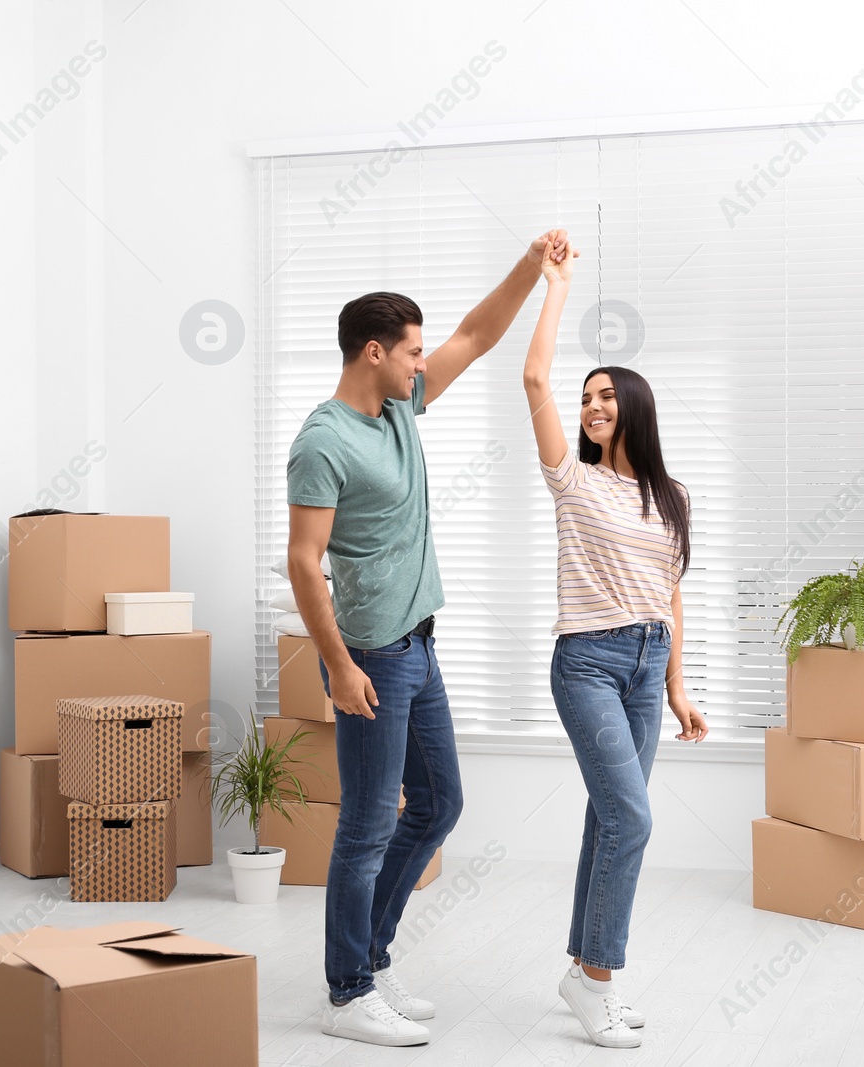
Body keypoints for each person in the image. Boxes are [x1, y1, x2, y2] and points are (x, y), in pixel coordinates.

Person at [287, 230, 571, 1048]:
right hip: (371, 657)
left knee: (439, 803)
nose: (422, 363)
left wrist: (532, 268)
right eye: (410, 352)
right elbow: (305, 564)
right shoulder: (323, 441)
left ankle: (367, 961)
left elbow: (478, 337)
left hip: (420, 644)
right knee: (368, 824)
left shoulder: (400, 406)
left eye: (420, 353)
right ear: (372, 352)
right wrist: (336, 665)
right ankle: (347, 992)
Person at [520, 239, 707, 1048]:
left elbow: (669, 595)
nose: (593, 405)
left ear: (635, 405)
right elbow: (533, 379)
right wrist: (555, 285)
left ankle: (582, 968)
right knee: (633, 819)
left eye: (606, 395)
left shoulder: (670, 496)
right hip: (588, 662)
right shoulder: (574, 478)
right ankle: (598, 980)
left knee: (609, 818)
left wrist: (677, 685)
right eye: (587, 395)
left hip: (642, 668)